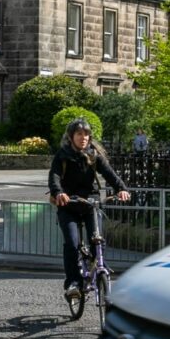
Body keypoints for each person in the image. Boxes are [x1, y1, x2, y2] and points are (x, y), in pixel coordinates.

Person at [48, 119, 131, 301]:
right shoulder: (63, 155)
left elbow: (109, 174)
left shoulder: (93, 155)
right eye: (79, 134)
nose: (83, 137)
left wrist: (122, 189)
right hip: (68, 205)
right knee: (71, 244)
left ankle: (99, 266)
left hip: (90, 205)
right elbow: (54, 177)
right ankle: (73, 283)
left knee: (98, 240)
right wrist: (59, 192)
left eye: (86, 134)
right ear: (71, 137)